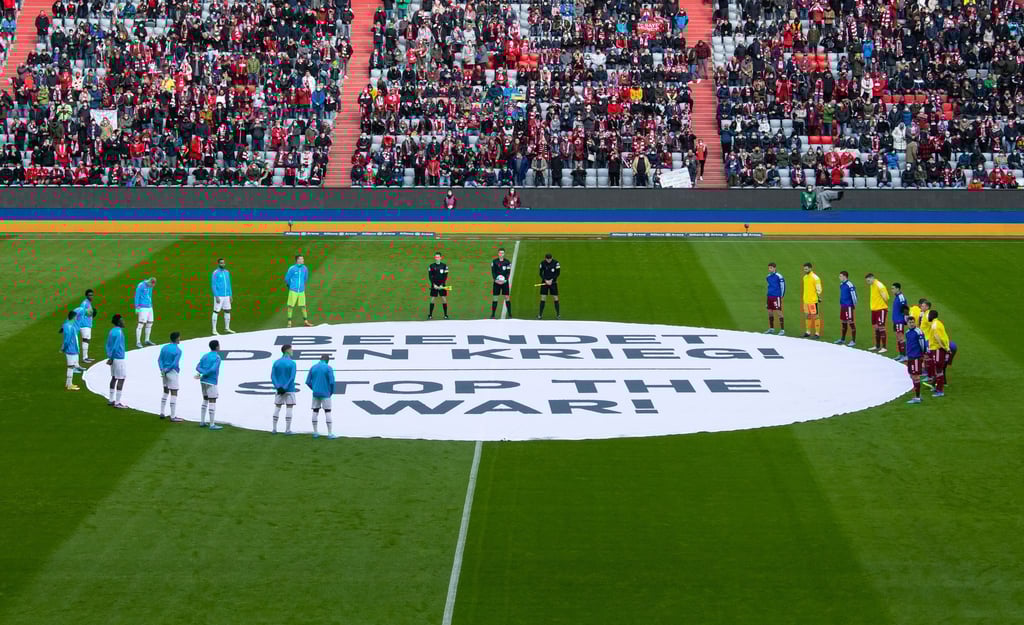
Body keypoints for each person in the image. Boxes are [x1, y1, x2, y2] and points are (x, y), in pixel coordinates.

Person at [306, 353, 337, 439]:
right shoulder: (328, 368)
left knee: (315, 411)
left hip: (316, 393)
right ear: (327, 360)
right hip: (325, 393)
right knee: (327, 411)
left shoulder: (313, 367)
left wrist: (314, 388)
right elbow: (332, 382)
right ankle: (330, 433)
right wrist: (331, 392)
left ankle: (315, 432)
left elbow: (308, 382)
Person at [195, 340, 223, 430]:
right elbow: (213, 369)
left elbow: (197, 367)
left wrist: (202, 374)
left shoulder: (205, 356)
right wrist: (205, 373)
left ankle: (202, 421)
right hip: (211, 381)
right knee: (212, 400)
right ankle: (212, 424)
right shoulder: (217, 358)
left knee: (205, 399)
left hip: (203, 381)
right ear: (217, 347)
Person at [271, 344, 297, 434]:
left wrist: (278, 387)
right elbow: (292, 377)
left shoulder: (276, 362)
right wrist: (286, 387)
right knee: (289, 408)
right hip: (289, 389)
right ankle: (287, 429)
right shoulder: (292, 363)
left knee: (277, 407)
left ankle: (274, 429)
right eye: (291, 349)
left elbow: (273, 376)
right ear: (287, 350)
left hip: (279, 389)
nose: (292, 351)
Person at [158, 332, 184, 422]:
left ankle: (162, 412)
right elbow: (174, 363)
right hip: (172, 372)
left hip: (164, 372)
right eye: (179, 337)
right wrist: (168, 369)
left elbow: (159, 359)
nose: (180, 339)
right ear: (176, 339)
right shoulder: (178, 351)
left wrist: (162, 369)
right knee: (174, 392)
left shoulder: (164, 347)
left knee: (165, 391)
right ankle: (173, 416)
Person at [904, 313, 927, 404]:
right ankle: (918, 394)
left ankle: (917, 397)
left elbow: (922, 344)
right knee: (911, 375)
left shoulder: (918, 332)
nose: (912, 324)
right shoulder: (907, 333)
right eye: (910, 322)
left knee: (916, 376)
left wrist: (922, 354)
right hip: (910, 356)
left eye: (913, 322)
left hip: (916, 357)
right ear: (907, 323)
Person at [105, 314, 127, 408]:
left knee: (114, 377)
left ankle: (111, 399)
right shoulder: (119, 332)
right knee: (121, 379)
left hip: (113, 357)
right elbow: (116, 346)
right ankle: (117, 402)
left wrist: (109, 356)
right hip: (118, 358)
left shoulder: (112, 331)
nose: (124, 322)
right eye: (122, 320)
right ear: (119, 322)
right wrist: (112, 358)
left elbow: (108, 345)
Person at [285, 255, 312, 328]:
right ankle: (289, 322)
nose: (303, 260)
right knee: (290, 306)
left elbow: (305, 278)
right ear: (297, 260)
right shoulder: (292, 268)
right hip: (293, 290)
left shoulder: (305, 268)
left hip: (301, 290)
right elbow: (287, 278)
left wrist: (302, 285)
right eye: (301, 259)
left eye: (303, 259)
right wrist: (291, 286)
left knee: (303, 306)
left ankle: (306, 322)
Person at [928, 309, 950, 397]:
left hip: (938, 349)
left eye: (929, 315)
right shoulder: (938, 323)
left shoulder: (934, 325)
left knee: (939, 370)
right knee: (937, 369)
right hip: (937, 349)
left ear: (932, 316)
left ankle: (940, 390)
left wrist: (944, 347)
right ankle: (937, 388)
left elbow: (938, 337)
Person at [865, 273, 890, 352]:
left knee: (881, 327)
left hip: (881, 309)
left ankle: (884, 347)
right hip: (874, 309)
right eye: (867, 281)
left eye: (868, 280)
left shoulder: (879, 285)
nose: (868, 282)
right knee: (876, 327)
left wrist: (885, 307)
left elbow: (886, 297)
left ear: (872, 278)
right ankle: (877, 346)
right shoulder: (872, 285)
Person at [211, 258, 235, 335]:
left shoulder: (227, 272)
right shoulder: (215, 273)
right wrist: (216, 296)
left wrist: (230, 295)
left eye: (223, 263)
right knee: (216, 311)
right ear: (218, 264)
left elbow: (229, 284)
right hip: (219, 296)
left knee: (227, 310)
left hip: (226, 295)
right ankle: (214, 330)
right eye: (221, 263)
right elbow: (213, 285)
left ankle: (227, 328)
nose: (223, 264)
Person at [60, 310, 82, 390]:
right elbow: (67, 339)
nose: (77, 317)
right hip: (71, 350)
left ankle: (68, 383)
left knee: (71, 367)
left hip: (72, 349)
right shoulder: (70, 326)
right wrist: (63, 348)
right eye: (76, 316)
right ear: (73, 317)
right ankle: (69, 385)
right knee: (70, 367)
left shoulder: (66, 325)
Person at [134, 277, 157, 348]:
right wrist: (137, 307)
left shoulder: (150, 286)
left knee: (150, 323)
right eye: (151, 285)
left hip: (149, 307)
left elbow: (149, 295)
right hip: (143, 307)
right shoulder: (141, 285)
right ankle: (138, 342)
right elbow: (136, 296)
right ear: (150, 282)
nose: (152, 287)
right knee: (141, 324)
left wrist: (151, 304)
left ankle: (147, 340)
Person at [801, 262, 822, 339]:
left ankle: (817, 333)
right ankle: (808, 332)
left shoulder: (815, 278)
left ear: (810, 268)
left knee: (816, 316)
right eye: (804, 269)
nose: (805, 270)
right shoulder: (805, 277)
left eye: (806, 269)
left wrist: (818, 297)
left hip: (813, 301)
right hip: (806, 300)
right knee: (807, 315)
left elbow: (819, 289)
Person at [490, 247, 512, 319]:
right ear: (498, 253)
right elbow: (493, 272)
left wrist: (505, 280)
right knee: (495, 298)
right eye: (500, 253)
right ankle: (493, 315)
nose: (501, 254)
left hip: (505, 283)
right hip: (496, 282)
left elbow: (508, 273)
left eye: (502, 253)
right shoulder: (494, 262)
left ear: (504, 254)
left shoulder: (508, 262)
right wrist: (496, 280)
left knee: (507, 297)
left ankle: (510, 314)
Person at [836, 271, 857, 346]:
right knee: (844, 322)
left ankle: (853, 341)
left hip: (848, 306)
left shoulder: (850, 285)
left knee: (851, 322)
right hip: (843, 306)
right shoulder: (841, 284)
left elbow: (854, 296)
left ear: (845, 276)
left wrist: (853, 305)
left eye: (840, 276)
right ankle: (842, 339)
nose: (839, 277)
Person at [537, 253, 561, 319]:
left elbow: (558, 273)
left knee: (555, 298)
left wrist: (551, 280)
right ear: (545, 258)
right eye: (547, 259)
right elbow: (540, 273)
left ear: (552, 257)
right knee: (543, 298)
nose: (549, 260)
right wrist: (545, 280)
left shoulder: (556, 263)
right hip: (545, 283)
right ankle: (540, 315)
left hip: (553, 283)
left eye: (550, 259)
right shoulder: (542, 263)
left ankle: (558, 314)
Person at [76, 289, 96, 363]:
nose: (91, 296)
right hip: (84, 325)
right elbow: (81, 312)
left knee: (87, 340)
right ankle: (84, 358)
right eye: (90, 295)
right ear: (86, 296)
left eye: (92, 295)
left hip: (87, 325)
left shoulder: (88, 303)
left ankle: (86, 357)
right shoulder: (85, 303)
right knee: (86, 340)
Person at [765, 262, 785, 334]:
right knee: (770, 312)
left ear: (774, 268)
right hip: (769, 296)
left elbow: (783, 286)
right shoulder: (768, 277)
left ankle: (782, 330)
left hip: (776, 297)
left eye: (771, 268)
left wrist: (781, 295)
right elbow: (769, 286)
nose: (770, 269)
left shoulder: (779, 276)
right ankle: (771, 328)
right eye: (769, 268)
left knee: (779, 312)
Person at [428, 252, 450, 319]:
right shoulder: (431, 266)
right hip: (434, 285)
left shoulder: (445, 266)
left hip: (442, 285)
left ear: (441, 258)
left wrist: (441, 285)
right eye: (436, 257)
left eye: (438, 257)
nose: (437, 258)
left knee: (444, 299)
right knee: (432, 299)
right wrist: (434, 284)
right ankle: (430, 315)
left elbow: (445, 276)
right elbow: (430, 276)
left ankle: (445, 315)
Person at [891, 282, 909, 362]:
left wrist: (905, 320)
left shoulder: (901, 297)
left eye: (893, 288)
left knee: (901, 338)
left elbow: (905, 310)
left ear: (898, 289)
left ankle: (905, 355)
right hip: (896, 320)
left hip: (899, 321)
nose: (892, 290)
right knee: (898, 338)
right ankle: (901, 354)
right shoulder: (897, 296)